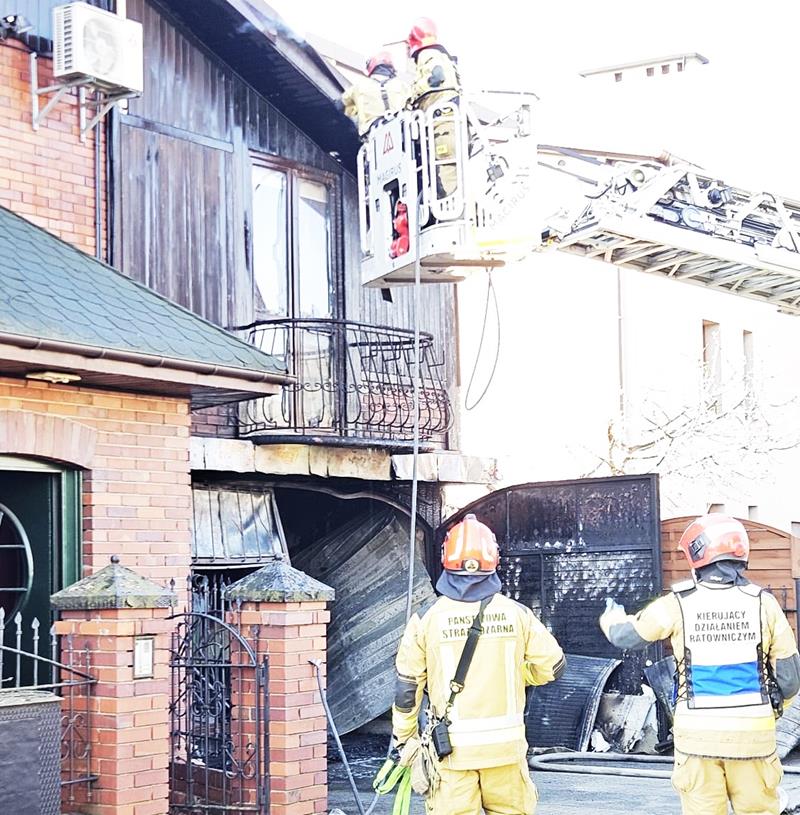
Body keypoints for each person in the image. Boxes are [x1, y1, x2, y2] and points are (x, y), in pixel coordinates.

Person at [599, 513, 800, 815]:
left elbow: (626, 636)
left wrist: (611, 617)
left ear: (697, 554)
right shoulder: (764, 603)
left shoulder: (678, 603)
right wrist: (771, 710)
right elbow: (789, 679)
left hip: (698, 742)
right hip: (754, 741)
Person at [391, 513, 566, 814]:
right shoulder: (518, 615)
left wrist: (404, 739)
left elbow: (408, 689)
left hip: (452, 755)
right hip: (506, 754)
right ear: (494, 560)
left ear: (446, 558)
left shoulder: (426, 619)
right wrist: (516, 675)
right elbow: (552, 666)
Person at [406, 17, 461, 198]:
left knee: (446, 180)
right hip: (449, 124)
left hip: (442, 126)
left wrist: (414, 95)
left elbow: (436, 75)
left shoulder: (427, 55)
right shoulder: (443, 57)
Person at [340, 50, 410, 138]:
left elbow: (340, 103)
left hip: (371, 136)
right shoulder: (403, 86)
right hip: (400, 133)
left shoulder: (359, 87)